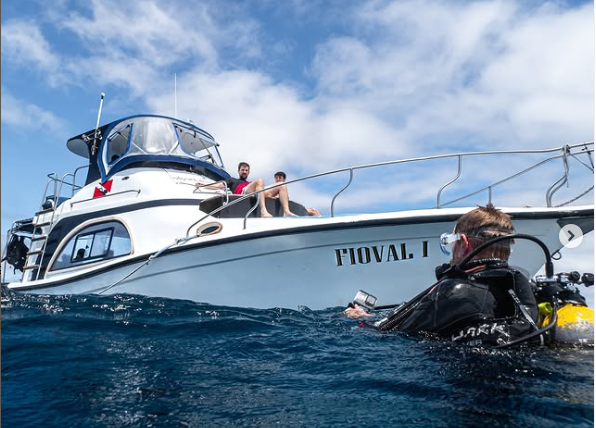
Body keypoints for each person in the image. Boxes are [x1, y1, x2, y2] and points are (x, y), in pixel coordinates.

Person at [345, 204, 540, 347]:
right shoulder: (514, 288)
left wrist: (363, 320)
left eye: (450, 243)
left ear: (463, 243)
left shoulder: (456, 291)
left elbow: (393, 335)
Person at [197, 162, 272, 218]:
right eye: (242, 170)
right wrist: (204, 185)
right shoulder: (232, 180)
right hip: (243, 192)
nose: (244, 172)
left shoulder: (250, 183)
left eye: (246, 170)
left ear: (248, 172)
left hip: (253, 192)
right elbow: (219, 186)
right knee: (259, 181)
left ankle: (284, 213)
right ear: (238, 171)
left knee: (280, 186)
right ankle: (263, 211)